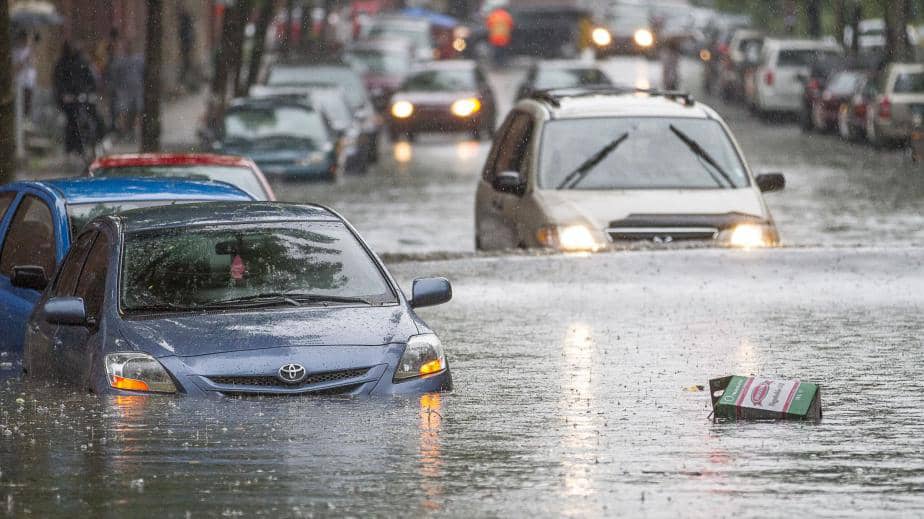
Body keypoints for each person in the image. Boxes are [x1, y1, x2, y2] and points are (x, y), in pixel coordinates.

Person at [54, 41, 101, 157]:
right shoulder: (62, 64)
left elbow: (91, 80)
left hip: (83, 97)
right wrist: (64, 95)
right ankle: (72, 148)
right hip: (69, 100)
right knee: (72, 121)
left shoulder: (83, 62)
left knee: (93, 116)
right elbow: (58, 82)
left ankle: (96, 142)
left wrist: (89, 92)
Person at [12, 30, 36, 119]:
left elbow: (34, 66)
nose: (25, 41)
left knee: (28, 105)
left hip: (29, 82)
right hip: (20, 82)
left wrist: (31, 60)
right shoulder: (15, 51)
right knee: (19, 105)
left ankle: (27, 118)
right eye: (23, 39)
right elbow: (14, 68)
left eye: (26, 39)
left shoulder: (29, 51)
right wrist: (24, 62)